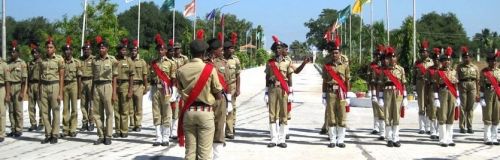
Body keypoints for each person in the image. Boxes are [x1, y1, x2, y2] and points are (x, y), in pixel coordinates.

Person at [176, 29, 223, 160]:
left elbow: (180, 90)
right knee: (204, 154)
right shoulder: (210, 69)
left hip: (189, 112)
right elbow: (218, 94)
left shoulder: (181, 70)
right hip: (205, 112)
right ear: (203, 53)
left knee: (190, 152)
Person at [264, 35, 293, 148]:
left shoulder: (287, 62)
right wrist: (266, 92)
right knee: (272, 114)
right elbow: (266, 78)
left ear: (282, 50)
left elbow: (290, 78)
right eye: (275, 49)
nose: (277, 50)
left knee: (283, 114)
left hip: (283, 89)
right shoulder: (270, 62)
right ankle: (273, 138)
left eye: (279, 48)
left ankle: (281, 139)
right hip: (272, 89)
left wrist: (291, 91)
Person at [322, 36, 350, 148]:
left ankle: (341, 140)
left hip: (341, 93)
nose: (335, 55)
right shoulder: (327, 66)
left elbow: (347, 81)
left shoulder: (345, 66)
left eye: (337, 53)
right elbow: (324, 81)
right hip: (330, 92)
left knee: (342, 116)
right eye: (333, 53)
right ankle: (332, 139)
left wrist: (348, 96)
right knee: (331, 116)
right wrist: (323, 95)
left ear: (340, 54)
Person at [377, 46, 407, 147]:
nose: (392, 59)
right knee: (388, 115)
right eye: (390, 58)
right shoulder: (383, 70)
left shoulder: (401, 69)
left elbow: (403, 84)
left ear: (396, 58)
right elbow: (380, 85)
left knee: (396, 116)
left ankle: (396, 138)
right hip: (387, 93)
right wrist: (380, 98)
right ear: (387, 59)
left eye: (394, 57)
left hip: (398, 93)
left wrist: (405, 97)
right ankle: (389, 138)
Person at [150, 34, 176, 146]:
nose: (160, 51)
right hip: (156, 88)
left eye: (162, 49)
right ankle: (158, 137)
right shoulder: (153, 63)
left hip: (166, 90)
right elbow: (151, 78)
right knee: (156, 112)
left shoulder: (170, 63)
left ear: (165, 50)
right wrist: (151, 90)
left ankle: (166, 137)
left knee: (167, 113)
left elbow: (173, 78)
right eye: (159, 49)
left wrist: (174, 92)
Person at [92, 36, 117, 145]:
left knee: (109, 112)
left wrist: (114, 93)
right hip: (97, 86)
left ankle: (108, 135)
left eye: (103, 48)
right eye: (100, 48)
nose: (101, 50)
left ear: (107, 49)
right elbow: (93, 75)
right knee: (97, 113)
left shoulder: (112, 60)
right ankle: (101, 135)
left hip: (107, 86)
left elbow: (115, 77)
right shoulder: (94, 60)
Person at [39, 37, 65, 144]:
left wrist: (60, 93)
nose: (49, 49)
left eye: (51, 47)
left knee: (55, 111)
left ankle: (55, 134)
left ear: (55, 49)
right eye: (47, 47)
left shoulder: (59, 59)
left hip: (54, 86)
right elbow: (40, 75)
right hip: (44, 86)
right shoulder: (42, 60)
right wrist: (40, 90)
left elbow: (62, 76)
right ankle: (48, 134)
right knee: (44, 112)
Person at [433, 47, 460, 147]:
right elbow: (435, 86)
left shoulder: (454, 72)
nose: (447, 62)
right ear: (441, 62)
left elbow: (456, 84)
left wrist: (458, 97)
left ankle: (449, 138)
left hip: (452, 94)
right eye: (444, 60)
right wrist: (436, 98)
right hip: (442, 93)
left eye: (448, 60)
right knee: (442, 116)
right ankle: (442, 139)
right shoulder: (438, 72)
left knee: (450, 116)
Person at [207, 34, 228, 159]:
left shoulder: (223, 63)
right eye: (220, 49)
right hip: (208, 99)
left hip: (221, 100)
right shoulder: (204, 63)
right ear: (214, 50)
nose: (222, 51)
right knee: (207, 127)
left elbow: (228, 81)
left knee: (220, 127)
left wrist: (229, 99)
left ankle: (217, 156)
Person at [113, 38, 134, 138]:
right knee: (116, 109)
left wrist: (130, 90)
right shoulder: (114, 60)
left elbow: (131, 76)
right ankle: (117, 130)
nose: (123, 51)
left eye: (125, 50)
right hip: (115, 86)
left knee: (125, 109)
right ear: (118, 50)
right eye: (121, 50)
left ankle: (124, 130)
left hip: (125, 86)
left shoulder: (129, 61)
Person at [456, 46, 480, 134]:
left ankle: (470, 126)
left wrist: (477, 93)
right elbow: (456, 79)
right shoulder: (459, 67)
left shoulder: (475, 67)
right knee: (462, 107)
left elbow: (477, 81)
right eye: (465, 57)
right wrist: (457, 91)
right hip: (463, 85)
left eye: (468, 57)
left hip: (473, 86)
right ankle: (462, 126)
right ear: (463, 58)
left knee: (470, 107)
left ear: (471, 58)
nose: (467, 58)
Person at [6, 40, 27, 138]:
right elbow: (7, 79)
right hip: (10, 87)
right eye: (11, 52)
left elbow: (24, 79)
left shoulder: (22, 63)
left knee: (18, 110)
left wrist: (22, 92)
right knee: (11, 110)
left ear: (18, 53)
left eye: (14, 52)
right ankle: (13, 128)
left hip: (18, 86)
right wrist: (8, 92)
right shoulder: (8, 64)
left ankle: (19, 129)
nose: (12, 53)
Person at [223, 33, 242, 140]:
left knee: (232, 107)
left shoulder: (235, 60)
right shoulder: (220, 60)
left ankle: (231, 128)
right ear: (225, 50)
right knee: (222, 108)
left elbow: (238, 74)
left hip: (232, 86)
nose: (232, 50)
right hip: (222, 87)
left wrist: (238, 88)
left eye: (233, 48)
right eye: (230, 48)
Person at [61, 37, 81, 138]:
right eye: (65, 50)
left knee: (74, 108)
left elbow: (79, 77)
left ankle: (73, 129)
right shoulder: (61, 62)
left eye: (68, 50)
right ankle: (65, 129)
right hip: (64, 85)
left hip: (74, 85)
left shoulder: (76, 62)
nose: (67, 51)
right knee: (65, 109)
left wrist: (79, 91)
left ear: (71, 51)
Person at [479, 51, 500, 145]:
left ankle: (494, 137)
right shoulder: (484, 72)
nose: (494, 62)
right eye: (492, 61)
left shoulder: (499, 71)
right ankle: (487, 138)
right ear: (488, 61)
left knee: (496, 115)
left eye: (495, 61)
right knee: (487, 115)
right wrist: (481, 97)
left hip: (497, 94)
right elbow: (481, 85)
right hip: (487, 94)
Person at [414, 40, 434, 134]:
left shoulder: (432, 62)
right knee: (421, 106)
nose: (423, 53)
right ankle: (421, 127)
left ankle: (429, 127)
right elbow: (414, 76)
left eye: (424, 51)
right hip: (420, 84)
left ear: (428, 52)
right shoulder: (417, 63)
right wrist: (414, 88)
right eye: (421, 51)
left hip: (429, 85)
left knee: (429, 106)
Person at [129, 39, 148, 134]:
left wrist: (146, 87)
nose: (133, 52)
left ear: (137, 51)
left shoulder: (142, 62)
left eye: (135, 50)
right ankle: (132, 124)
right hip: (129, 86)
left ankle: (138, 124)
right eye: (132, 50)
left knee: (138, 107)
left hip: (139, 85)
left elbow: (145, 76)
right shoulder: (127, 61)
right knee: (130, 106)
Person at [170, 41, 189, 139]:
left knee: (183, 109)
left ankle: (183, 130)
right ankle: (173, 131)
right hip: (173, 85)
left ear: (181, 49)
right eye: (175, 49)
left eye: (178, 48)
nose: (176, 50)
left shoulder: (185, 59)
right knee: (174, 109)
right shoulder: (170, 58)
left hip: (183, 86)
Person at [367, 45, 386, 140]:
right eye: (377, 55)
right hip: (375, 90)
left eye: (380, 55)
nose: (378, 56)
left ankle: (384, 128)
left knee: (384, 110)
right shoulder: (372, 65)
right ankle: (376, 127)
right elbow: (369, 79)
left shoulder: (385, 66)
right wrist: (370, 91)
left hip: (384, 90)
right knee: (375, 109)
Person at [425, 48, 442, 140]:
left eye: (438, 59)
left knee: (441, 111)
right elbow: (426, 83)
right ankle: (433, 131)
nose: (437, 61)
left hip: (442, 90)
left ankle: (439, 130)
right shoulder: (429, 70)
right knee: (433, 110)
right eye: (435, 59)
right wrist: (426, 95)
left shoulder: (443, 70)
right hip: (432, 90)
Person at [79, 41, 95, 132]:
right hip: (82, 82)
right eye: (84, 49)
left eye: (88, 49)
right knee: (83, 104)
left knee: (91, 104)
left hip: (91, 81)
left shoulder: (94, 59)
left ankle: (91, 122)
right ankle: (84, 122)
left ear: (91, 50)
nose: (86, 51)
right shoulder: (80, 60)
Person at [27, 42, 43, 132]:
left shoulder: (42, 62)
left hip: (39, 84)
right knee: (31, 106)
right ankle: (33, 123)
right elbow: (28, 76)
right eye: (33, 53)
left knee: (41, 105)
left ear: (39, 54)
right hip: (31, 84)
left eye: (36, 53)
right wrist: (28, 86)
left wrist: (41, 87)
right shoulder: (30, 63)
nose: (35, 54)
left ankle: (41, 123)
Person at [0, 46, 10, 142]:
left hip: (1, 88)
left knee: (1, 112)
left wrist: (7, 94)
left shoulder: (4, 65)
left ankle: (1, 133)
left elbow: (7, 81)